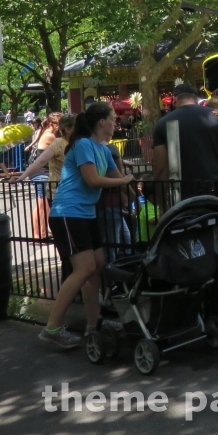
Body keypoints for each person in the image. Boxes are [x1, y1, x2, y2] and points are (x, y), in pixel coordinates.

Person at [39, 102, 134, 349]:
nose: (116, 122)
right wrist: (123, 181)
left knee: (98, 266)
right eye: (113, 118)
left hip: (86, 214)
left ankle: (94, 324)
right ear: (101, 122)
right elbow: (93, 180)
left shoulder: (103, 149)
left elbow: (118, 180)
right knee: (83, 268)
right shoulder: (82, 145)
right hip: (68, 213)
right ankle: (52, 328)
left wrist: (137, 195)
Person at [152, 83, 218, 200]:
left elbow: (160, 168)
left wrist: (161, 201)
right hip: (215, 185)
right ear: (197, 99)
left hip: (182, 190)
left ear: (174, 100)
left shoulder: (162, 123)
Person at [16, 114, 76, 238]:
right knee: (42, 204)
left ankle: (42, 231)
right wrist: (22, 176)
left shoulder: (68, 140)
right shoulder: (54, 139)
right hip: (43, 175)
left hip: (49, 176)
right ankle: (39, 233)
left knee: (42, 205)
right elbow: (41, 161)